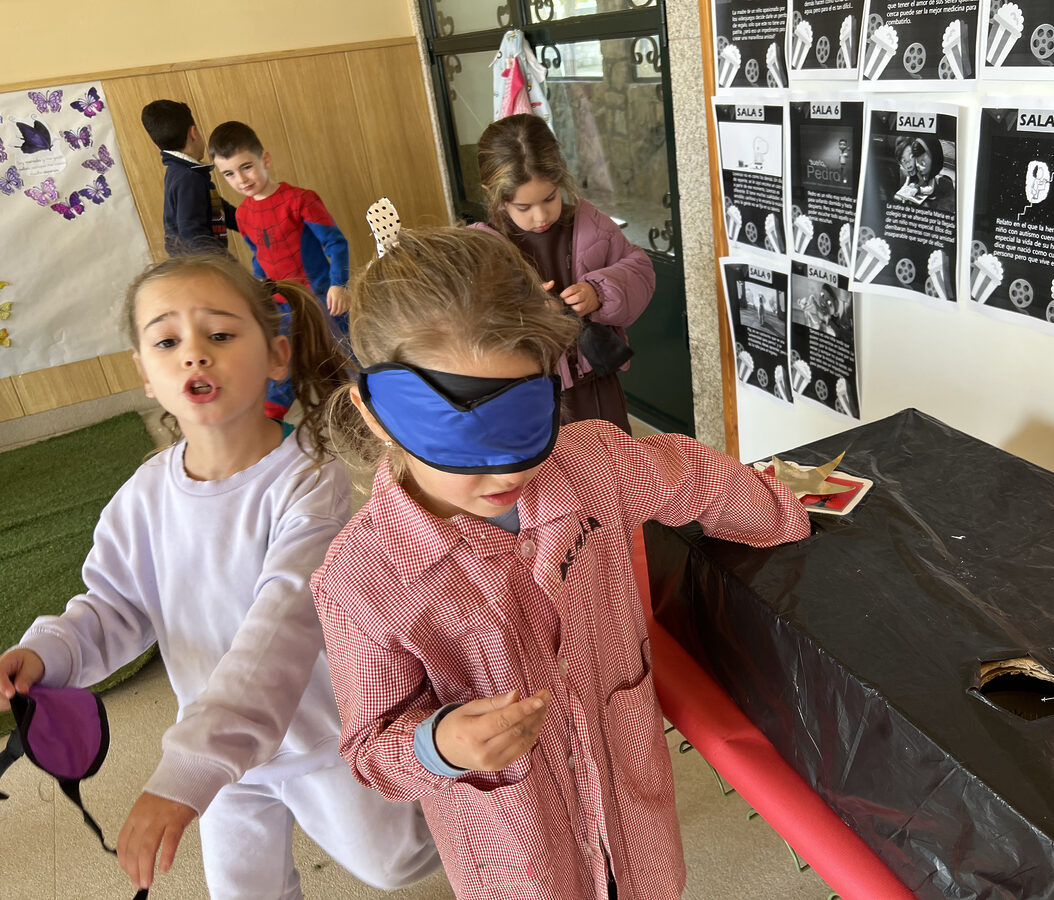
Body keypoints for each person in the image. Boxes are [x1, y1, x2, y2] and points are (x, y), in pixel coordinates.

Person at [311, 226, 812, 900]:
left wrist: (786, 514)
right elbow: (372, 753)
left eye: (522, 426)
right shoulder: (360, 584)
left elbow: (699, 479)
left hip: (634, 826)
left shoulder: (593, 465)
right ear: (376, 415)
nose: (506, 471)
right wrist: (440, 746)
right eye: (461, 441)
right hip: (516, 859)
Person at [0, 255, 440, 898]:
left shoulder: (311, 482)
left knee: (394, 864)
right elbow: (113, 607)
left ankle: (456, 764)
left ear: (277, 356)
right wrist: (46, 653)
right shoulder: (143, 495)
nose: (194, 354)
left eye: (221, 334)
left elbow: (280, 630)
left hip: (319, 737)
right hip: (220, 751)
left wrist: (189, 768)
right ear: (144, 374)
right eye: (167, 341)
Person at [474, 112, 654, 433]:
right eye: (524, 207)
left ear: (561, 178)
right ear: (494, 195)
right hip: (532, 396)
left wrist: (600, 292)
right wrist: (528, 315)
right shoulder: (483, 250)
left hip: (597, 386)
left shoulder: (591, 225)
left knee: (613, 456)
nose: (541, 216)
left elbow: (639, 271)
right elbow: (472, 326)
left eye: (550, 198)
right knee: (555, 463)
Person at [208, 120, 351, 419]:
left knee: (347, 355)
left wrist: (339, 284)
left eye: (247, 167)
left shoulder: (301, 200)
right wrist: (258, 292)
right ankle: (269, 424)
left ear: (266, 159)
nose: (241, 179)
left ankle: (375, 407)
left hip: (321, 298)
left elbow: (335, 243)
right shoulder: (243, 215)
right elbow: (258, 256)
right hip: (281, 304)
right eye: (229, 174)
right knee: (279, 362)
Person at [140, 100, 237, 257]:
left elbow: (216, 205)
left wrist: (250, 220)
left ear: (157, 147)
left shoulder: (181, 172)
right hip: (201, 264)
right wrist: (224, 265)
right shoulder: (188, 179)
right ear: (193, 133)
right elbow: (193, 234)